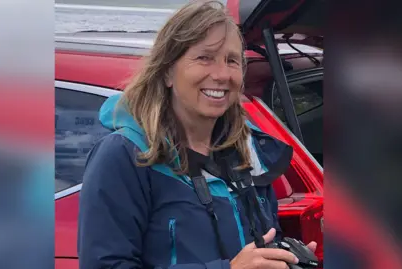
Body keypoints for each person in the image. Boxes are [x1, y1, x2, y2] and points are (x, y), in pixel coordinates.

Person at [78, 1, 317, 269]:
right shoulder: (125, 156)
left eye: (231, 61)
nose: (221, 74)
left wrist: (283, 259)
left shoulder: (249, 154)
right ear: (167, 71)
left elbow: (258, 250)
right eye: (204, 58)